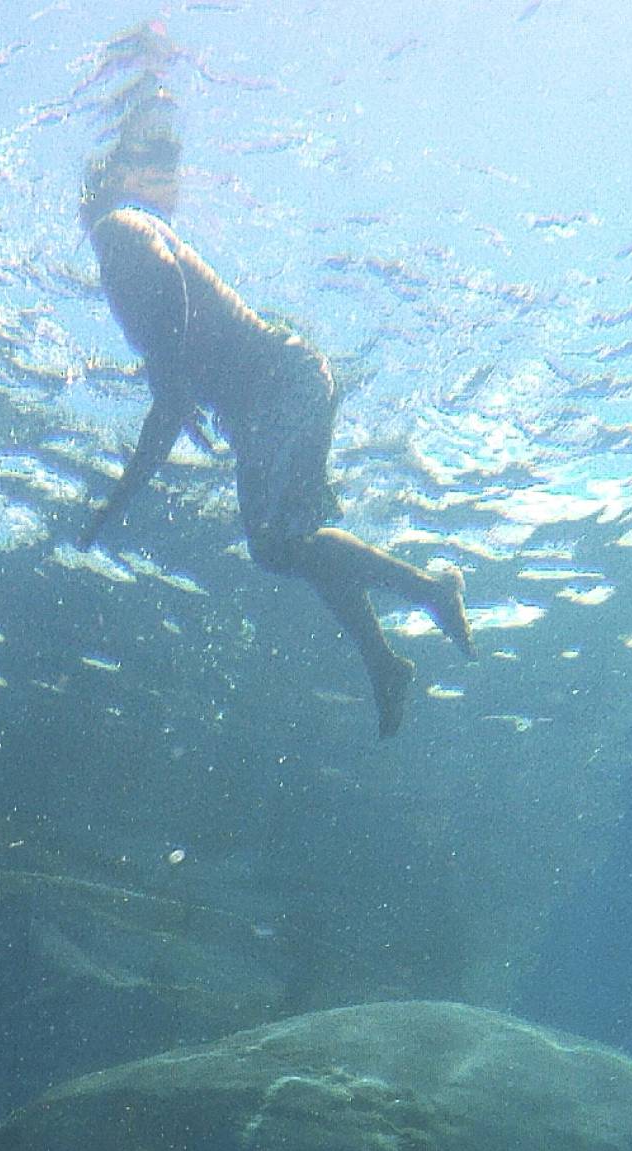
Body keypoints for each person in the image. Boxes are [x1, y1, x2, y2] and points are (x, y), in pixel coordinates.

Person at [78, 147, 472, 736]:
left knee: (272, 545)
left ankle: (430, 590)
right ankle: (384, 664)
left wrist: (170, 369)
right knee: (304, 543)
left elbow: (165, 280)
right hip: (294, 379)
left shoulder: (120, 228)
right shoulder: (125, 265)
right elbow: (166, 414)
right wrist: (119, 499)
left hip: (276, 387)